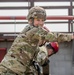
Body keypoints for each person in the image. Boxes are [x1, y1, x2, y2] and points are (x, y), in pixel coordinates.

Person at [0, 6, 74, 75]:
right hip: (10, 70)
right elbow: (54, 37)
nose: (41, 23)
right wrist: (71, 36)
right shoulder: (34, 31)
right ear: (31, 20)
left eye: (42, 20)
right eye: (38, 20)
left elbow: (33, 60)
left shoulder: (29, 31)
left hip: (10, 69)